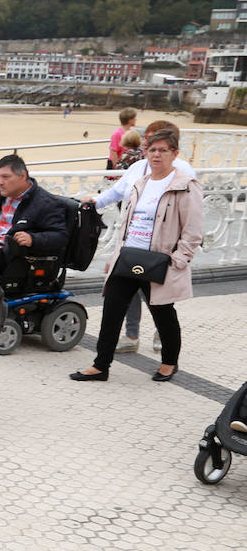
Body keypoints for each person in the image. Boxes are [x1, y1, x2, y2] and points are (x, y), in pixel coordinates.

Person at [72, 127, 202, 384]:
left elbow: (193, 230)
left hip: (159, 261)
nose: (156, 155)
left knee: (163, 314)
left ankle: (169, 362)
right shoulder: (139, 182)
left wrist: (177, 261)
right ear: (145, 151)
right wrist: (116, 254)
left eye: (163, 150)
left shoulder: (186, 185)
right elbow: (126, 223)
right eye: (152, 150)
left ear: (174, 153)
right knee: (112, 310)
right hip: (130, 256)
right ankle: (101, 365)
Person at [0, 154, 69, 275]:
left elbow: (60, 236)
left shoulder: (46, 203)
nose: (0, 182)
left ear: (23, 176)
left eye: (5, 177)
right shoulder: (4, 196)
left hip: (13, 258)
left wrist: (32, 239)